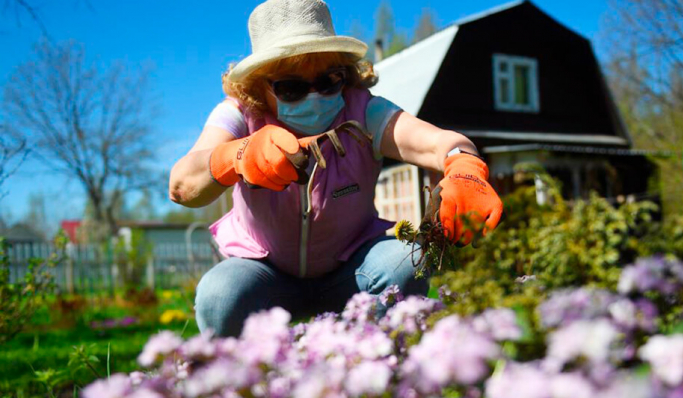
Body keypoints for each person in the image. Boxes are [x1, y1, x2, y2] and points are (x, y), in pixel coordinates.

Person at [168, 0, 503, 337]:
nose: (315, 96)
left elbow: (437, 142)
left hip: (353, 269)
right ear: (259, 87)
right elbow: (183, 185)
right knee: (220, 295)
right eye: (292, 87)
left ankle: (374, 363)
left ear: (345, 74)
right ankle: (248, 380)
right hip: (264, 274)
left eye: (330, 80)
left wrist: (463, 165)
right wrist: (235, 156)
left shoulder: (364, 110)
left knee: (403, 263)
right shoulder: (240, 116)